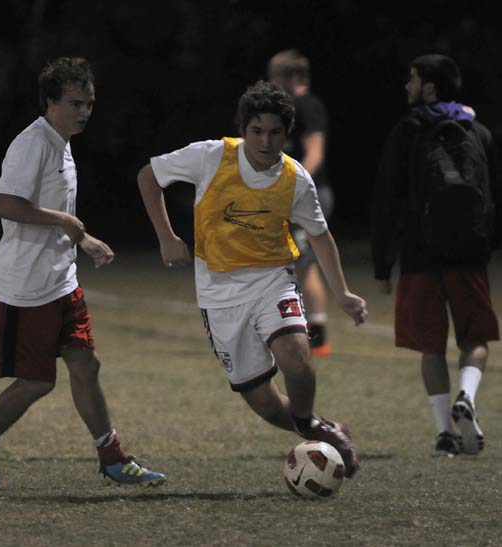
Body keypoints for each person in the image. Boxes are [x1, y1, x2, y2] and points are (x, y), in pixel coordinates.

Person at [137, 80, 367, 478]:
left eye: (274, 132)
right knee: (262, 401)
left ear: (286, 134)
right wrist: (167, 236)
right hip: (219, 293)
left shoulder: (296, 179)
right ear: (243, 128)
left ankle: (311, 425)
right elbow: (148, 176)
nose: (264, 140)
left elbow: (320, 236)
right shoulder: (210, 157)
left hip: (271, 280)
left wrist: (342, 292)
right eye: (256, 130)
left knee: (296, 358)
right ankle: (321, 430)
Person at [0, 57, 165, 488]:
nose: (85, 111)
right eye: (75, 103)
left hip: (61, 281)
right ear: (51, 102)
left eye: (89, 103)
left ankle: (112, 457)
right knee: (36, 382)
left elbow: (54, 213)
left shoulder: (63, 143)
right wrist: (66, 224)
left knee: (86, 364)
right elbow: (5, 205)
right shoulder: (32, 144)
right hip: (24, 288)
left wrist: (80, 239)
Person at [372, 54, 500, 457]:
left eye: (412, 80)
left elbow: (386, 199)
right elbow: (495, 194)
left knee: (431, 346)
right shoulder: (478, 131)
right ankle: (467, 393)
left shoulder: (407, 132)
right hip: (468, 255)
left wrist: (382, 261)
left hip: (420, 255)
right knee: (475, 338)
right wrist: (487, 244)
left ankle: (445, 431)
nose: (406, 87)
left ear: (429, 87)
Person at [267, 49, 334, 357]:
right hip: (291, 194)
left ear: (293, 77)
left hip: (308, 194)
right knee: (292, 261)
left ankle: (318, 336)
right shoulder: (288, 107)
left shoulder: (308, 105)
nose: (272, 83)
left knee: (304, 263)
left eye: (276, 76)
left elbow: (315, 152)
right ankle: (292, 326)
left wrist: (295, 186)